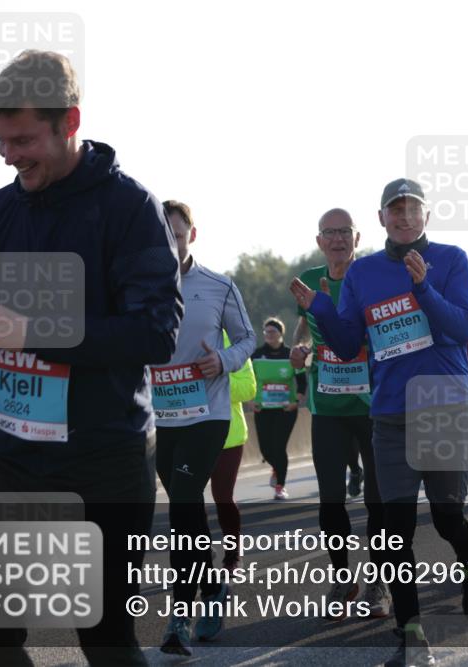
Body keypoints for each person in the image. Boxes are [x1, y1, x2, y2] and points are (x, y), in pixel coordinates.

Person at [0, 50, 183, 666]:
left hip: (103, 458)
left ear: (69, 121)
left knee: (103, 640)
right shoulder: (1, 208)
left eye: (22, 139)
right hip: (12, 457)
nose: (7, 155)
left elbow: (155, 334)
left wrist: (32, 330)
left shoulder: (129, 207)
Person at [291, 178, 468, 667]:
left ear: (426, 216)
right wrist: (318, 307)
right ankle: (412, 635)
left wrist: (423, 287)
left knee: (447, 517)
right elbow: (344, 345)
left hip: (445, 405)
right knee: (393, 531)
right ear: (381, 219)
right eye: (394, 211)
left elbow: (462, 328)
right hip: (390, 413)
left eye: (412, 210)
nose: (403, 219)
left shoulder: (451, 259)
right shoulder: (364, 275)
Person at [155, 199, 256, 654]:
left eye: (176, 235)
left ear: (191, 236)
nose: (169, 243)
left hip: (208, 415)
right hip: (162, 418)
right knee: (187, 510)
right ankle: (213, 585)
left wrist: (224, 359)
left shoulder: (219, 285)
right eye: (161, 235)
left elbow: (249, 338)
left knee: (181, 505)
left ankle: (178, 619)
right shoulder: (136, 287)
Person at [290, 208, 390, 616]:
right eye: (329, 233)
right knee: (331, 501)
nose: (337, 240)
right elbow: (304, 327)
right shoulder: (311, 280)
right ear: (319, 241)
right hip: (328, 406)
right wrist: (303, 350)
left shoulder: (369, 276)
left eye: (344, 232)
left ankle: (379, 583)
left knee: (377, 500)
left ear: (357, 237)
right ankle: (341, 576)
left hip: (372, 407)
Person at [210, 331, 256, 572]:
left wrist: (215, 377)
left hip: (228, 436)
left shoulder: (233, 342)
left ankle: (232, 554)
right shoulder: (177, 337)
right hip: (186, 432)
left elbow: (248, 389)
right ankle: (198, 548)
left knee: (223, 497)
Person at [251, 317, 305, 500]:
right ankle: (277, 467)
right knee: (266, 449)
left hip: (286, 409)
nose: (268, 335)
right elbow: (248, 380)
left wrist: (296, 401)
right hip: (263, 409)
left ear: (281, 333)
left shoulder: (291, 355)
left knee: (279, 447)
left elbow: (302, 381)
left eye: (272, 331)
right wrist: (250, 401)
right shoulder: (256, 355)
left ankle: (280, 486)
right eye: (266, 332)